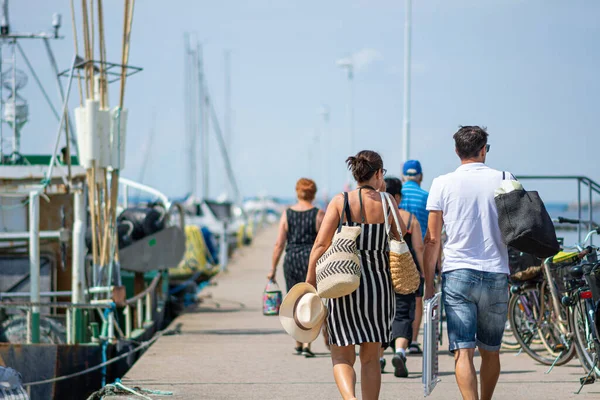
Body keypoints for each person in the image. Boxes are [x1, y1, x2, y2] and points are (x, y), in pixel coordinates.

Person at [306, 150, 407, 400]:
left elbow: (320, 244)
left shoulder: (340, 201)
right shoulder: (387, 202)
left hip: (344, 284)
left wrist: (309, 281)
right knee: (371, 358)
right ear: (379, 173)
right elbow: (400, 234)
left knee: (341, 355)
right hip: (379, 287)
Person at [423, 126, 510, 400]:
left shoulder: (442, 183)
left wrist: (428, 284)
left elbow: (433, 240)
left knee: (463, 350)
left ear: (456, 150)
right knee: (491, 350)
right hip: (496, 272)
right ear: (484, 149)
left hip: (458, 272)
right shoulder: (505, 179)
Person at [268, 178, 325, 357]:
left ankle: (298, 342)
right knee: (311, 300)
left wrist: (273, 268)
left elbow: (279, 244)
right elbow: (324, 242)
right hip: (311, 260)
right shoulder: (318, 214)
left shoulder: (287, 214)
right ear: (313, 194)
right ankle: (308, 343)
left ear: (297, 192)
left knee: (294, 300)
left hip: (291, 259)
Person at [378, 177, 425, 377]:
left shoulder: (376, 216)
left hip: (381, 271)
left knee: (381, 314)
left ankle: (379, 357)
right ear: (397, 197)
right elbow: (419, 248)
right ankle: (400, 351)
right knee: (403, 313)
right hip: (404, 272)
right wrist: (423, 272)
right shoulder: (409, 218)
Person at [400, 159, 429, 354]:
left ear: (403, 176)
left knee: (396, 298)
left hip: (396, 251)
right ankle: (413, 340)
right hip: (420, 251)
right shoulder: (426, 196)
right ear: (420, 176)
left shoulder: (396, 196)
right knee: (417, 299)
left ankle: (394, 337)